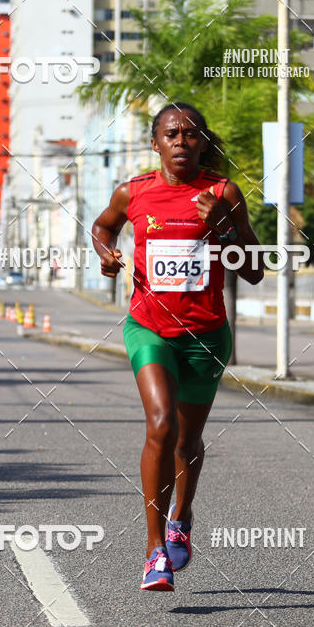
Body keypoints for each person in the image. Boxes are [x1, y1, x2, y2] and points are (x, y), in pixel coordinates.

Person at [92, 102, 264, 591]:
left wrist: (223, 226)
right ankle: (154, 553)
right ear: (156, 144)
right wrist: (106, 253)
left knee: (187, 442)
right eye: (172, 134)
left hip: (206, 335)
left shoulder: (223, 192)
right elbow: (103, 226)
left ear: (203, 143)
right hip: (149, 327)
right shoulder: (133, 192)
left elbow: (254, 270)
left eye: (191, 134)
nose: (181, 141)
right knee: (161, 425)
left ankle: (181, 517)